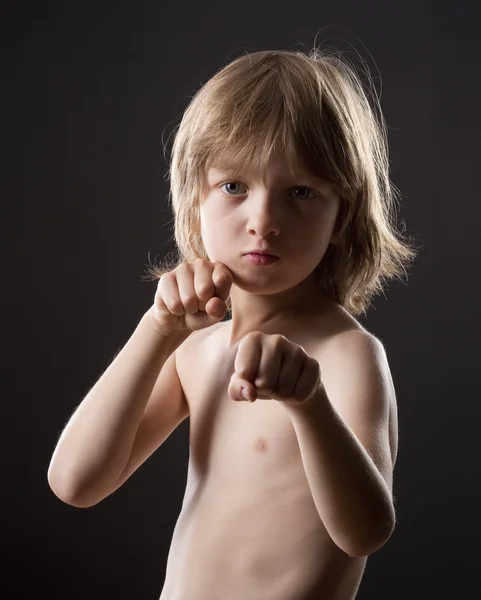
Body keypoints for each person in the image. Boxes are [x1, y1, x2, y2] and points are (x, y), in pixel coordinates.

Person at [48, 48, 417, 600]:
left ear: (342, 214)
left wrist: (308, 403)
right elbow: (76, 482)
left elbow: (364, 532)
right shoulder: (195, 348)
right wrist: (158, 330)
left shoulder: (345, 355)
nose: (263, 221)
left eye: (300, 193)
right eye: (233, 187)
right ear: (196, 198)